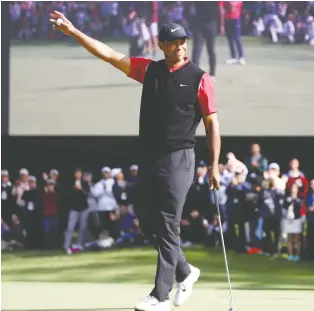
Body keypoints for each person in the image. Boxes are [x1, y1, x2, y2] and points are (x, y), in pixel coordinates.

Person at [49, 12, 221, 311]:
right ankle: (185, 271)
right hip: (150, 157)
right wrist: (75, 32)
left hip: (180, 157)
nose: (180, 46)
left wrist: (215, 165)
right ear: (161, 45)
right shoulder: (149, 71)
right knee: (147, 221)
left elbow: (212, 124)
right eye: (173, 42)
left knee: (168, 224)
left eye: (183, 41)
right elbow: (110, 55)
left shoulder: (199, 78)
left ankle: (159, 296)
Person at [192, 2, 220, 80]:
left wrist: (221, 25)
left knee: (211, 49)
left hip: (211, 23)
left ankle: (212, 73)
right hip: (199, 23)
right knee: (197, 50)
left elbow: (220, 8)